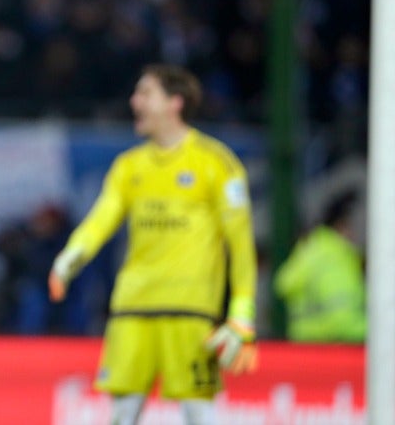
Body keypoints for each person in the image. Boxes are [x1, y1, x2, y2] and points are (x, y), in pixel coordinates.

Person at [48, 64, 259, 425]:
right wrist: (68, 259)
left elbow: (240, 243)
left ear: (175, 102)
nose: (135, 101)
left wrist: (242, 312)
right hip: (133, 307)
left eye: (145, 93)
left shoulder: (216, 163)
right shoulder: (130, 166)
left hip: (191, 311)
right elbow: (100, 222)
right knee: (122, 414)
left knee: (199, 413)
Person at [273, 191, 366, 343]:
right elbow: (342, 318)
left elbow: (283, 283)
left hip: (304, 344)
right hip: (339, 345)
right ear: (342, 226)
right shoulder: (337, 255)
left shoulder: (311, 249)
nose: (355, 233)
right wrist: (376, 331)